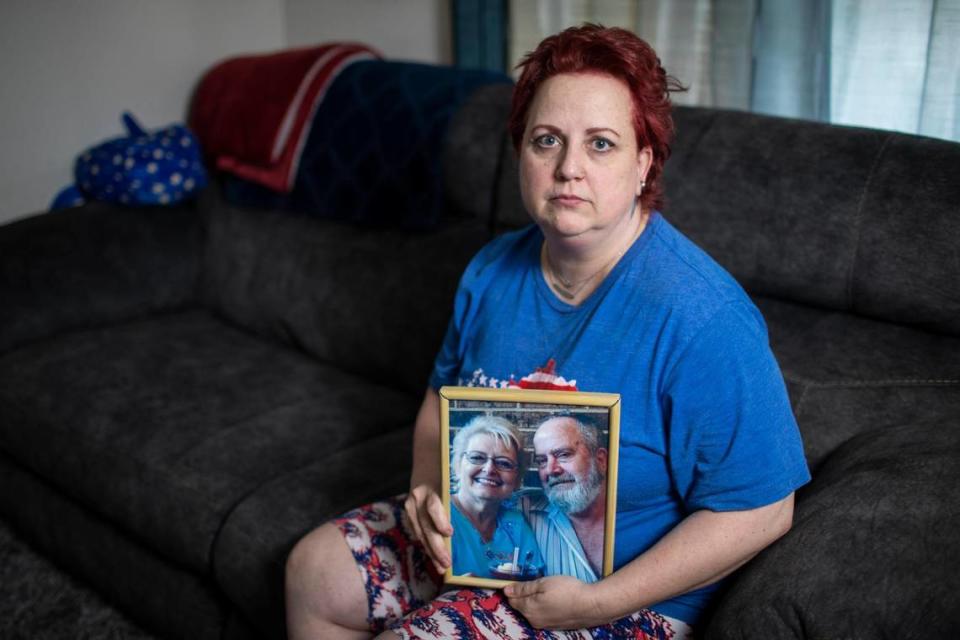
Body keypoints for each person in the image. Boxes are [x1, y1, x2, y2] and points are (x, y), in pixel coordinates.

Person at [285, 23, 810, 640]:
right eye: (547, 140)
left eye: (602, 144)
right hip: (487, 543)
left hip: (625, 591)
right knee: (311, 572)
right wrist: (428, 490)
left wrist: (599, 602)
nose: (569, 169)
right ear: (520, 155)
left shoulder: (702, 316)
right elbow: (439, 398)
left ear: (644, 163)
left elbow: (764, 510)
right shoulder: (489, 270)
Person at [447, 415, 543, 579]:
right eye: (477, 457)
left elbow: (535, 578)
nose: (490, 469)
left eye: (504, 463)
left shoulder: (515, 524)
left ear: (517, 479)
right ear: (457, 466)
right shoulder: (441, 514)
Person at [517, 415, 608, 582]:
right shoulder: (523, 509)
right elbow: (474, 506)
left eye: (564, 454)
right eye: (542, 461)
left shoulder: (636, 516)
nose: (551, 469)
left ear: (601, 460)